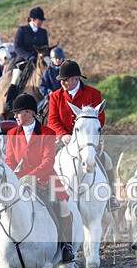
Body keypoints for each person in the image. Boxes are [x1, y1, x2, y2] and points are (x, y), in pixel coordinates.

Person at [0, 93, 75, 264]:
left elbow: (48, 161)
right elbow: (9, 160)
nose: (15, 116)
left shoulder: (47, 133)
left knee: (64, 208)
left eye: (18, 113)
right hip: (17, 180)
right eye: (15, 113)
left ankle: (65, 246)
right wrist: (15, 177)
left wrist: (30, 176)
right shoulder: (11, 133)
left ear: (30, 113)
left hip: (46, 179)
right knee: (1, 205)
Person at [47, 59, 120, 211]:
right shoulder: (55, 96)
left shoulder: (94, 94)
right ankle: (48, 197)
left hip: (89, 141)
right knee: (47, 161)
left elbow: (100, 119)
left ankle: (111, 197)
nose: (62, 84)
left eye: (65, 80)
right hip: (63, 140)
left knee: (107, 161)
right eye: (61, 81)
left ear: (76, 79)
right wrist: (62, 135)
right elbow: (52, 120)